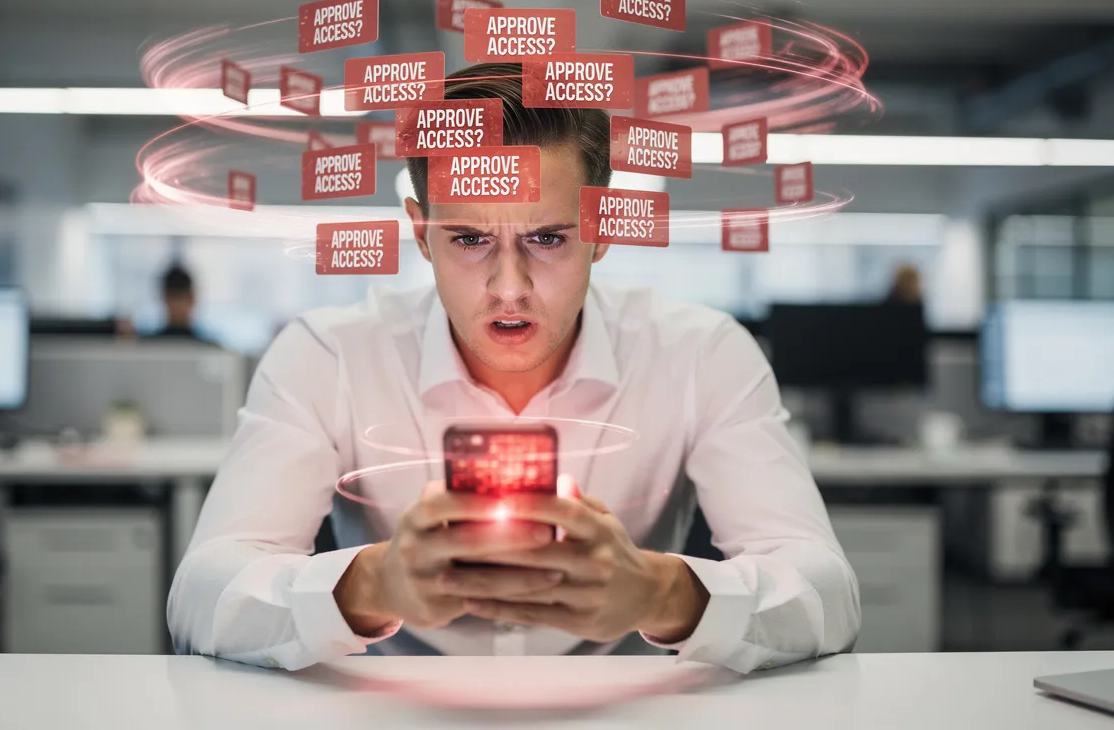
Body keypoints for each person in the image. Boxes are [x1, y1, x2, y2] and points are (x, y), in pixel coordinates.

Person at [168, 62, 860, 674]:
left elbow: (827, 592)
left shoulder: (703, 355)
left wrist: (660, 593)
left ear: (604, 229)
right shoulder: (329, 355)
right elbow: (201, 595)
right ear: (419, 232)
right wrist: (372, 584)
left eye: (547, 238)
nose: (508, 287)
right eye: (469, 238)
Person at [153, 264, 203, 340]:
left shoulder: (147, 345)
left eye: (181, 296)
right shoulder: (143, 346)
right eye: (173, 296)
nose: (177, 304)